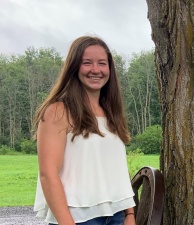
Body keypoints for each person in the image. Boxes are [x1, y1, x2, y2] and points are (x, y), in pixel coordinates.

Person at [33, 35, 136, 225]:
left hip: (117, 216)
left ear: (110, 69)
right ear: (74, 68)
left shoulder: (111, 113)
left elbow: (117, 169)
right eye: (87, 63)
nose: (95, 70)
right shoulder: (58, 112)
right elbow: (48, 174)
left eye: (102, 63)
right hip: (77, 218)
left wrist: (129, 214)